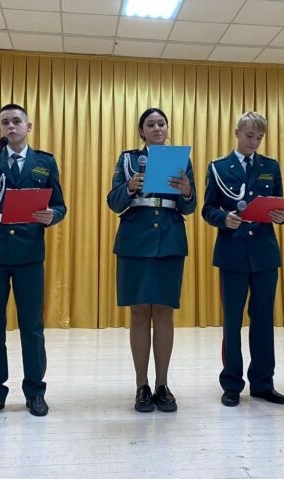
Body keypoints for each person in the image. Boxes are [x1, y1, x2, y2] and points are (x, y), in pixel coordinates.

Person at [0, 104, 67, 419]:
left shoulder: (44, 162)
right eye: (4, 122)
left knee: (32, 326)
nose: (10, 126)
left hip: (29, 252)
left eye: (16, 121)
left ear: (28, 127)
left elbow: (60, 205)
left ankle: (35, 392)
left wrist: (52, 215)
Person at [107, 108, 197, 413]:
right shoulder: (128, 160)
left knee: (164, 313)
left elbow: (189, 207)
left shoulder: (181, 160)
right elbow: (113, 202)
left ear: (167, 129)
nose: (157, 128)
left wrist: (187, 192)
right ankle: (141, 386)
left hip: (169, 240)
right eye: (151, 124)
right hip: (135, 241)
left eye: (161, 123)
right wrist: (128, 187)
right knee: (138, 313)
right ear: (141, 131)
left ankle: (162, 384)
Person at [202, 111, 284, 407]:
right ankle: (231, 383)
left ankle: (263, 383)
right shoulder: (218, 167)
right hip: (233, 254)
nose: (254, 142)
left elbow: (278, 204)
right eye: (250, 136)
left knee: (263, 320)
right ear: (237, 133)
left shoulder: (270, 166)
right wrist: (222, 219)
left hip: (264, 254)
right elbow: (207, 209)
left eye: (259, 138)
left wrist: (282, 216)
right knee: (232, 321)